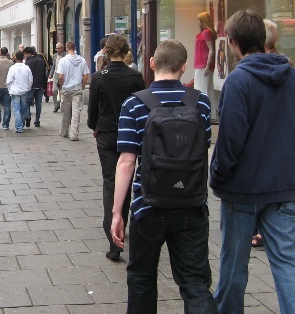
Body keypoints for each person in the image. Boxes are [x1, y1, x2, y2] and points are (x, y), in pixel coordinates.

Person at [111, 39, 216, 313]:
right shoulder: (201, 103)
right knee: (195, 282)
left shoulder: (134, 104)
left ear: (152, 63)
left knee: (142, 278)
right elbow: (203, 150)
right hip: (191, 206)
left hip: (148, 205)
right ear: (183, 68)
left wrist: (116, 213)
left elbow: (125, 162)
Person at [210, 9, 295, 313]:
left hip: (242, 189)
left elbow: (230, 140)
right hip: (284, 186)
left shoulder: (238, 81)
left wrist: (218, 176)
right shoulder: (291, 76)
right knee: (287, 265)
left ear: (232, 42)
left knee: (234, 268)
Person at [87, 34, 145, 260]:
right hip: (130, 134)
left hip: (107, 134)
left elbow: (93, 111)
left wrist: (95, 126)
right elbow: (142, 105)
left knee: (110, 181)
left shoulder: (99, 77)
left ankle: (114, 241)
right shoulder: (135, 76)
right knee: (127, 180)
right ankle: (123, 224)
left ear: (107, 52)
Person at [57, 42, 89, 141]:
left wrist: (61, 85)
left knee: (65, 112)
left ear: (66, 49)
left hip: (66, 89)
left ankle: (64, 131)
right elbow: (86, 76)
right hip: (77, 89)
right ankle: (74, 134)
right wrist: (82, 86)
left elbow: (61, 76)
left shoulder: (63, 61)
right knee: (76, 113)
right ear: (74, 48)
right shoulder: (82, 60)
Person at [194, 11, 216, 117]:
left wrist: (207, 65)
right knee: (207, 89)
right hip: (202, 64)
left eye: (199, 20)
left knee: (201, 89)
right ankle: (210, 113)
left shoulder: (206, 32)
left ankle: (204, 113)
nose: (198, 23)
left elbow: (211, 49)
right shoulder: (206, 32)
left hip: (203, 64)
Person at [6, 50, 32, 133]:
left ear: (16, 58)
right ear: (23, 57)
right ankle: (21, 124)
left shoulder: (12, 68)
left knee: (16, 109)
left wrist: (10, 89)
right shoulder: (27, 68)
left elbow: (9, 81)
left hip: (15, 91)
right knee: (24, 109)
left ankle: (19, 126)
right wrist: (28, 88)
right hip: (24, 91)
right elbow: (30, 80)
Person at [24, 46, 47, 127]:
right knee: (38, 104)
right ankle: (37, 120)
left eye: (25, 54)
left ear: (29, 54)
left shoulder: (27, 63)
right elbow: (44, 74)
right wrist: (45, 86)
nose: (25, 56)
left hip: (30, 86)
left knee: (27, 102)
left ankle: (28, 116)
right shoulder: (41, 61)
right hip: (40, 85)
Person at [49, 42, 66, 112]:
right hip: (56, 74)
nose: (57, 50)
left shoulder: (66, 55)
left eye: (59, 48)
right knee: (54, 90)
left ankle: (62, 105)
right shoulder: (55, 55)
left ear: (62, 48)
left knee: (62, 91)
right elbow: (54, 65)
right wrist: (51, 73)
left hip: (63, 75)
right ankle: (56, 105)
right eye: (56, 48)